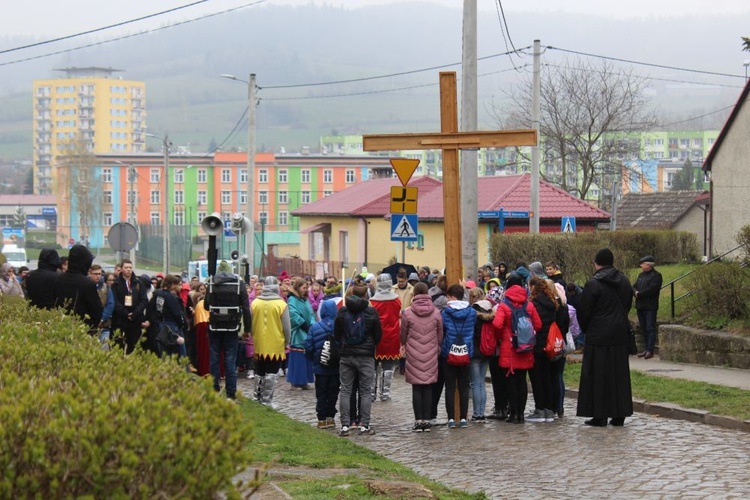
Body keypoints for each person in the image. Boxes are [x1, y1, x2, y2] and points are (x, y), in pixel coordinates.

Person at [576, 248, 634, 427]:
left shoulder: (593, 284)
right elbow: (627, 305)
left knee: (598, 375)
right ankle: (619, 414)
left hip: (598, 335)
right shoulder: (624, 281)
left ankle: (599, 415)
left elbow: (584, 311)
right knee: (619, 376)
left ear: (596, 263)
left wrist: (587, 330)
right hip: (619, 333)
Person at [492, 273, 542, 424]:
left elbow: (497, 324)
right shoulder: (529, 305)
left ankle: (513, 414)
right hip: (526, 347)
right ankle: (521, 413)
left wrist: (501, 337)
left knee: (511, 381)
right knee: (522, 380)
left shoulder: (504, 305)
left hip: (510, 347)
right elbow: (538, 325)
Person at [335, 284, 382, 437]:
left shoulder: (343, 311)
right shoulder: (371, 311)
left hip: (346, 355)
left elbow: (337, 333)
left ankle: (345, 425)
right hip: (366, 356)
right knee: (365, 391)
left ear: (352, 293)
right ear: (366, 295)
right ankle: (364, 424)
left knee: (346, 390)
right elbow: (378, 334)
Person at [204, 261, 252, 401]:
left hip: (215, 326)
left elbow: (207, 306)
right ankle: (231, 393)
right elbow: (246, 309)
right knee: (231, 360)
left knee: (214, 358)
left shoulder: (212, 283)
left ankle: (214, 390)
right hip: (232, 326)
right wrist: (247, 329)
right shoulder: (238, 284)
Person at [401, 282, 443, 432]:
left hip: (413, 351)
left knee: (417, 387)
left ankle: (418, 420)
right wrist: (436, 347)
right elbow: (440, 333)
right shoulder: (436, 312)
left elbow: (403, 333)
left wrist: (404, 345)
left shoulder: (407, 313)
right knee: (428, 386)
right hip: (431, 351)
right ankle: (427, 419)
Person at [526, 276, 569, 423]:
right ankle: (549, 410)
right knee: (549, 378)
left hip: (537, 343)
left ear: (533, 287)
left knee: (537, 379)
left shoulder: (533, 304)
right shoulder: (553, 303)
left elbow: (533, 324)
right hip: (550, 344)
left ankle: (540, 409)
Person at [440, 284, 477, 429]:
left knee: (449, 386)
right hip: (466, 351)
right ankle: (463, 418)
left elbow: (442, 330)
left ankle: (450, 418)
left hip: (449, 351)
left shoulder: (445, 312)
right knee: (464, 386)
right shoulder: (472, 312)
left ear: (452, 297)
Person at [251, 276, 291, 408]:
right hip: (275, 344)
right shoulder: (281, 304)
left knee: (259, 371)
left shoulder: (255, 303)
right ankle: (266, 400)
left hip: (259, 343)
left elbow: (251, 323)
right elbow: (286, 327)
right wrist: (287, 341)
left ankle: (257, 397)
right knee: (272, 372)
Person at [304, 299, 341, 429]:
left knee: (321, 393)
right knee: (333, 393)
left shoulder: (315, 327)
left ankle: (321, 419)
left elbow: (308, 346)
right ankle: (331, 418)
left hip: (320, 368)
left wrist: (313, 359)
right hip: (336, 368)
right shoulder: (339, 327)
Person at [53, 244, 102, 330]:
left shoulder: (58, 279)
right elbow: (97, 311)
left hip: (60, 326)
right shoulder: (87, 284)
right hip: (83, 329)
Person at [369, 273, 402, 402]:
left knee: (373, 365)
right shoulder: (396, 300)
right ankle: (385, 393)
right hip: (392, 336)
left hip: (376, 337)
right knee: (388, 365)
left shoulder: (372, 302)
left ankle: (372, 393)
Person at [149, 275, 189, 359]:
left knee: (164, 353)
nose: (181, 287)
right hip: (173, 326)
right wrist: (184, 324)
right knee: (180, 353)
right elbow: (178, 314)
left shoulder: (157, 294)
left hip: (160, 325)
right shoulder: (171, 297)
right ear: (173, 285)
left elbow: (151, 310)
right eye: (179, 284)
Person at [469, 287, 493, 422]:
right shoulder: (490, 311)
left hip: (475, 351)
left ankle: (477, 414)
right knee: (482, 383)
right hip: (487, 350)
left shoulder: (472, 313)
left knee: (475, 384)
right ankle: (482, 413)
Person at [287, 277, 315, 390]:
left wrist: (312, 325)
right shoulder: (292, 300)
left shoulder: (305, 300)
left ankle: (304, 381)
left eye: (306, 288)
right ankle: (295, 381)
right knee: (298, 357)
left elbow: (311, 313)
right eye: (303, 288)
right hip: (298, 332)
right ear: (298, 288)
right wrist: (303, 325)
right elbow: (293, 314)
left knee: (306, 356)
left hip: (307, 331)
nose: (305, 290)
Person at [633, 254, 663, 359]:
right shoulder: (641, 276)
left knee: (650, 327)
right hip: (640, 305)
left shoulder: (656, 276)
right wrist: (635, 292)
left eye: (643, 264)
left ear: (648, 265)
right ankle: (646, 349)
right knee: (643, 328)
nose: (641, 266)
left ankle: (650, 350)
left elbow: (652, 289)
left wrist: (639, 294)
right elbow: (634, 286)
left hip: (650, 306)